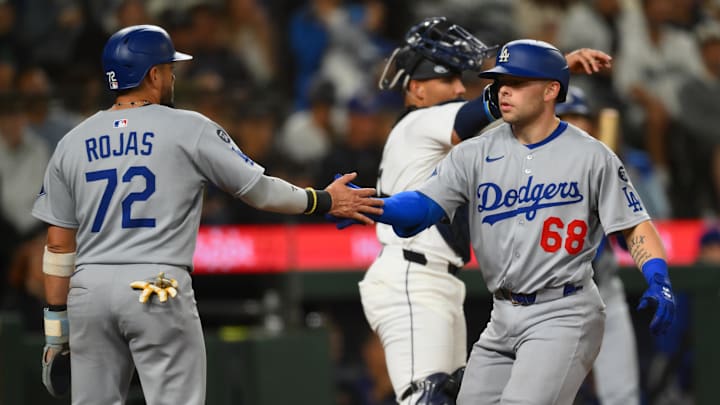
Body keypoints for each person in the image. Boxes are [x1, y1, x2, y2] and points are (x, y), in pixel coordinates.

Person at [31, 24, 383, 405]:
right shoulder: (189, 127)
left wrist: (55, 332)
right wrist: (323, 200)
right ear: (152, 74)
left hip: (89, 289)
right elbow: (260, 191)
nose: (172, 75)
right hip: (156, 283)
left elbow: (58, 244)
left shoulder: (72, 140)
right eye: (168, 68)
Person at [344, 38, 676, 405]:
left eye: (518, 83)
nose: (504, 91)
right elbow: (422, 206)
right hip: (501, 316)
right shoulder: (474, 153)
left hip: (564, 311)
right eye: (501, 82)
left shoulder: (591, 156)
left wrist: (658, 277)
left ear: (551, 90)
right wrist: (374, 204)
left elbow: (634, 225)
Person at [555, 86, 641, 405]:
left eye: (581, 117)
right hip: (547, 299)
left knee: (622, 396)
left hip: (603, 290)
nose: (576, 125)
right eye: (567, 118)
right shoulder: (532, 171)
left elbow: (625, 231)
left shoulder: (607, 168)